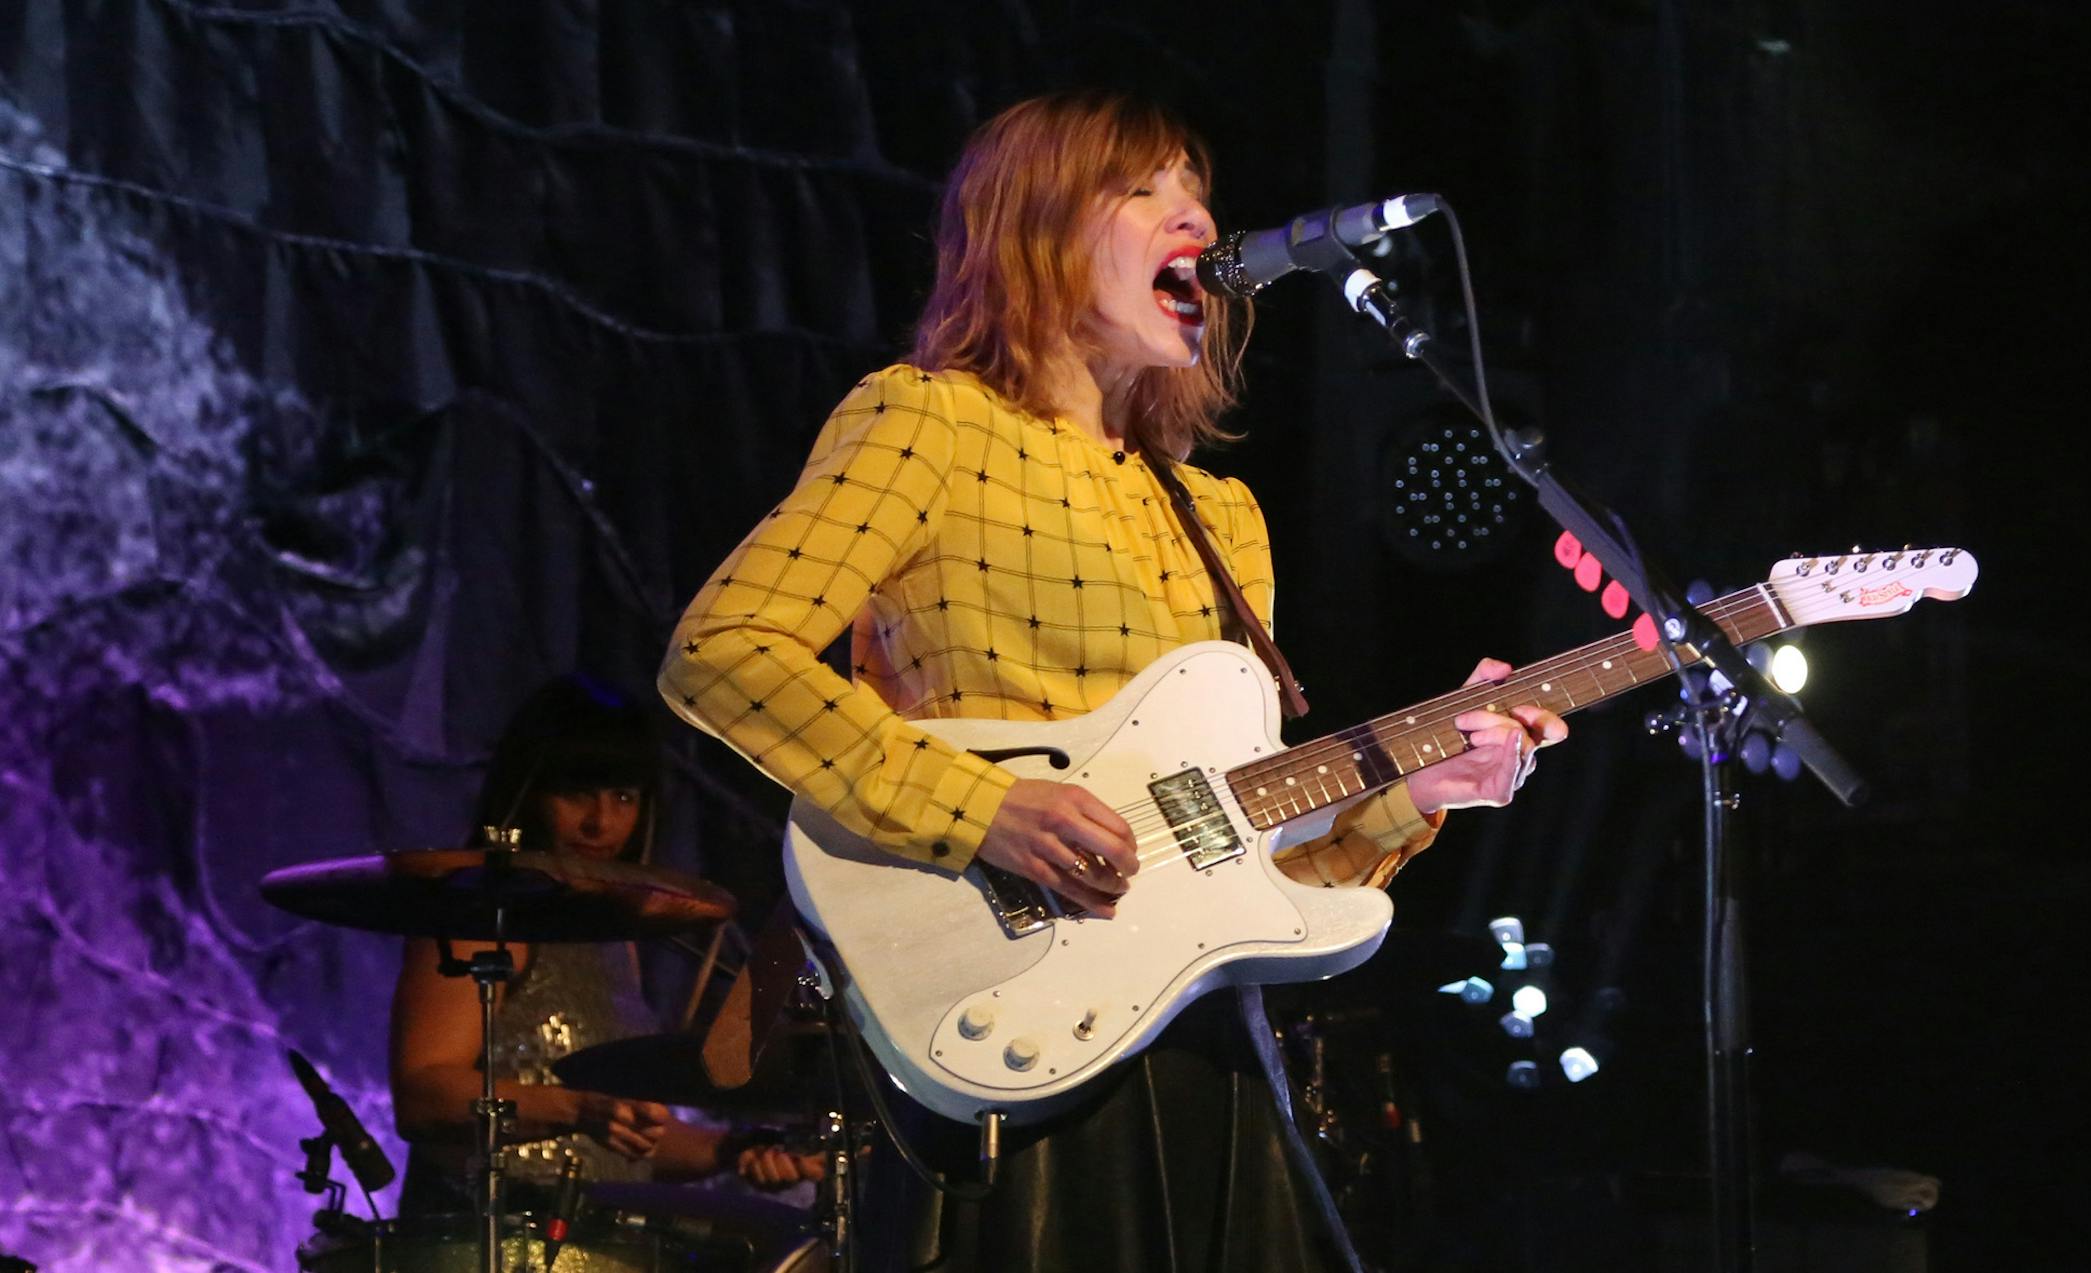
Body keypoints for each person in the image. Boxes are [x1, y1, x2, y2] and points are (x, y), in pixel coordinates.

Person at [658, 90, 1566, 1271]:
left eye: (1198, 190)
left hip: (1204, 1043)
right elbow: (724, 649)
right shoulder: (927, 422)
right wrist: (982, 809)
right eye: (1146, 188)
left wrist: (1418, 794)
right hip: (1015, 1016)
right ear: (1035, 226)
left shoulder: (1219, 516)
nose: (1195, 215)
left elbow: (1248, 864)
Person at [388, 674, 820, 1218]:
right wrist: (577, 1108)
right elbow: (426, 1095)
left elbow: (622, 1144)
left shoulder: (614, 938)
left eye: (623, 797)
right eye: (577, 794)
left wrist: (735, 1149)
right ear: (527, 794)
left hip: (584, 1239)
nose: (602, 823)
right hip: (484, 1238)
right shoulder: (483, 917)